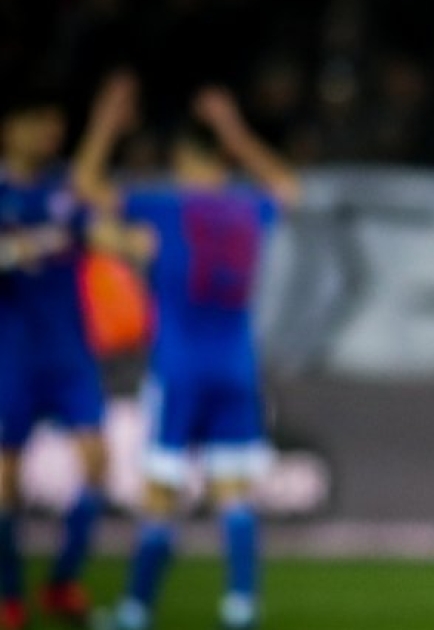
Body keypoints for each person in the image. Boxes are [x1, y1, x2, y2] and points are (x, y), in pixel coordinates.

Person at [71, 72, 301, 630]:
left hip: (179, 370)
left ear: (181, 161)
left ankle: (134, 611)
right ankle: (241, 608)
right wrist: (234, 129)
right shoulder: (247, 209)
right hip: (236, 369)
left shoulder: (166, 208)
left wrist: (105, 121)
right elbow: (289, 188)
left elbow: (83, 186)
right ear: (224, 159)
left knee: (161, 495)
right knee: (234, 497)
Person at [0, 88, 110, 630]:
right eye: (38, 123)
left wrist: (123, 238)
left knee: (96, 464)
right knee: (5, 479)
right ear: (10, 129)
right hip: (12, 355)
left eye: (55, 125)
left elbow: (97, 225)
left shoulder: (62, 191)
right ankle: (9, 596)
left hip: (70, 353)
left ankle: (63, 581)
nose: (49, 134)